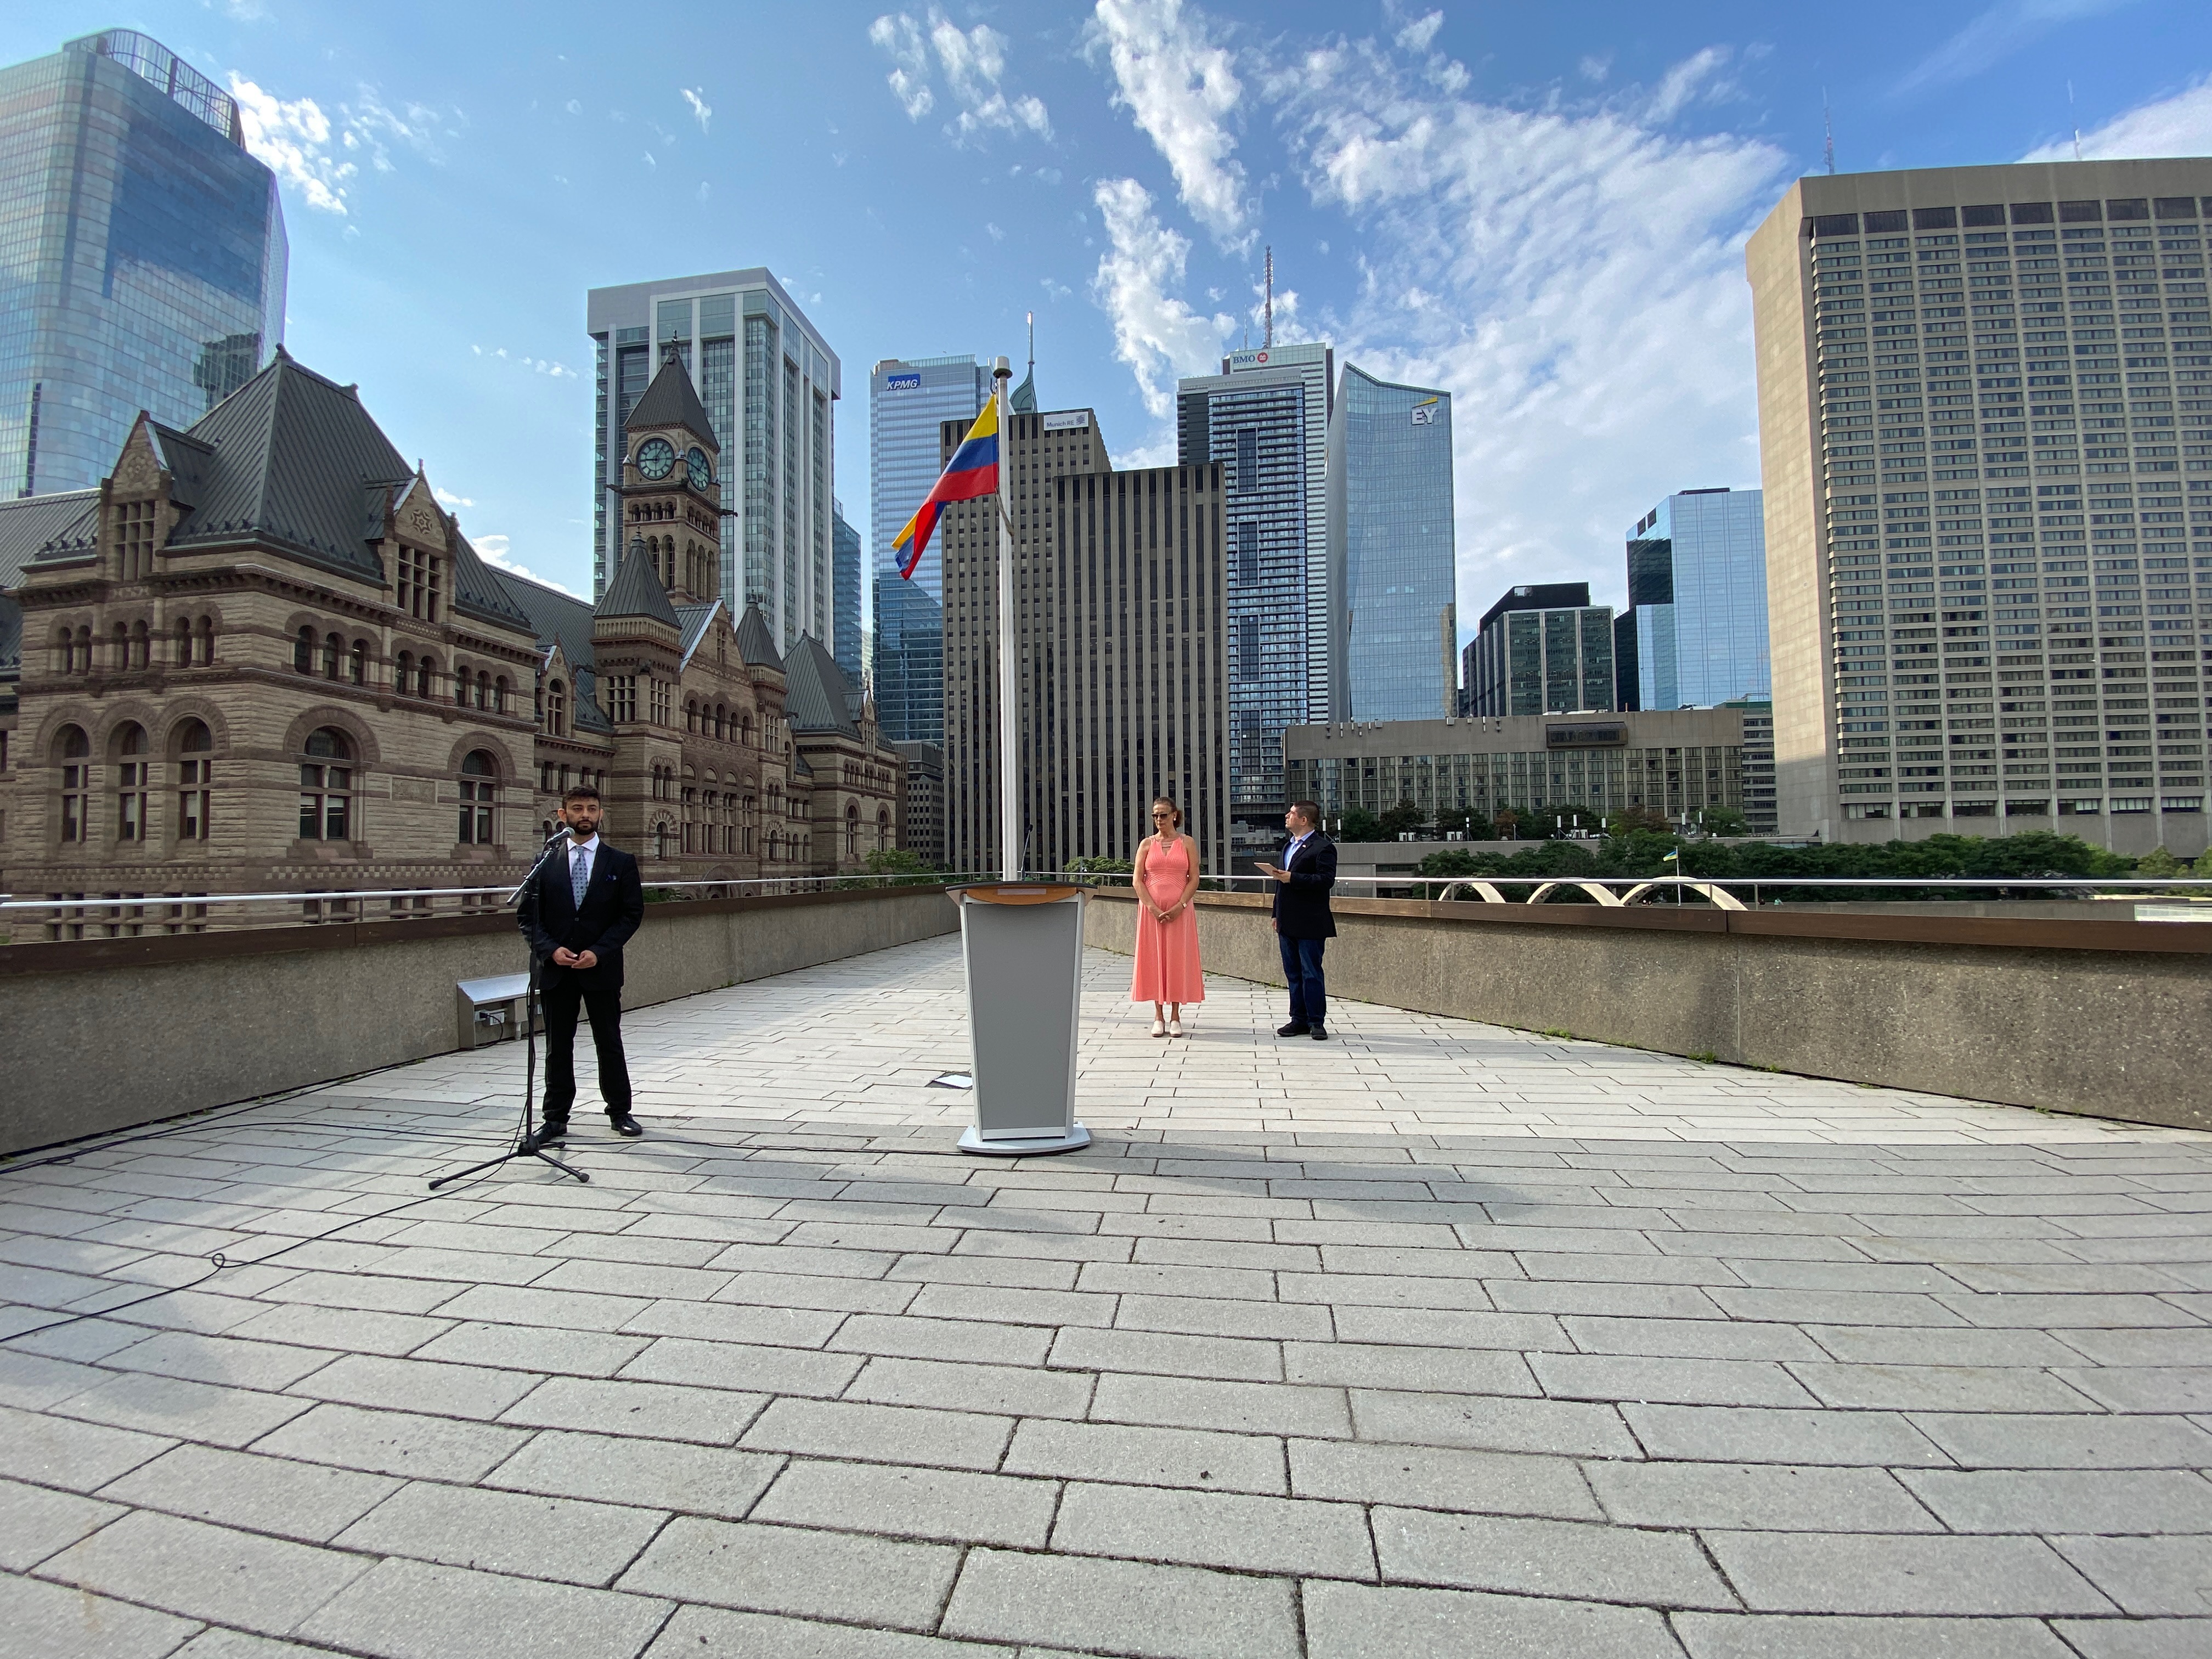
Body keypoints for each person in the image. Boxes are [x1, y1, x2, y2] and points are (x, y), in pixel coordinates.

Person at [518, 785, 646, 1147]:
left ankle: (620, 1112)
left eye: (592, 808)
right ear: (563, 815)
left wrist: (600, 951)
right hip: (557, 970)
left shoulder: (619, 862)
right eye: (577, 808)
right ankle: (555, 1118)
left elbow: (631, 914)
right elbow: (528, 917)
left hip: (600, 968)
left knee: (609, 1041)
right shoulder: (545, 862)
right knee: (558, 1046)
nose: (585, 814)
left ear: (601, 814)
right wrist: (550, 950)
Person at [1258, 799, 1335, 1040]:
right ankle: (1298, 1019)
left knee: (1311, 971)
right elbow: (1281, 886)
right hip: (1287, 919)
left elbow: (1325, 881)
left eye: (1291, 813)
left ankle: (1316, 1022)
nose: (1287, 816)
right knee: (1293, 972)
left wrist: (1294, 878)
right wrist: (1275, 913)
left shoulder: (1323, 847)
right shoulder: (1287, 846)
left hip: (1311, 920)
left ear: (1304, 820)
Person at [1130, 795, 1203, 1037]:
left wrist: (1181, 905)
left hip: (1180, 910)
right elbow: (1137, 880)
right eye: (1155, 815)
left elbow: (1194, 878)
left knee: (1176, 958)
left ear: (1175, 815)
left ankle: (1175, 1015)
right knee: (1155, 959)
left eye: (1163, 815)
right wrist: (1152, 908)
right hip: (1151, 911)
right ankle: (1158, 1015)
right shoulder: (1147, 844)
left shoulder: (1188, 843)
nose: (1159, 820)